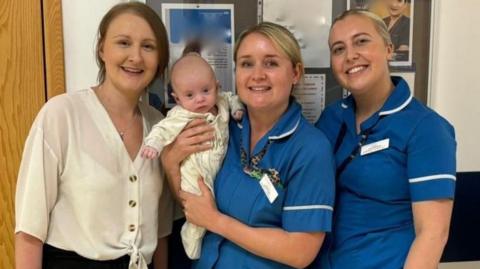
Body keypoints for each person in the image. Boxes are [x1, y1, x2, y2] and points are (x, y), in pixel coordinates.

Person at [161, 21, 335, 269]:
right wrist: (170, 163)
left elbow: (300, 251)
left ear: (295, 73)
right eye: (246, 64)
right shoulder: (222, 126)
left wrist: (216, 221)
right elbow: (193, 203)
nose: (257, 75)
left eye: (271, 63)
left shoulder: (310, 149)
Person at [15, 3, 174, 269]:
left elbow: (160, 232)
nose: (135, 57)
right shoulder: (61, 115)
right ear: (102, 49)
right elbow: (29, 233)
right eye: (123, 43)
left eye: (148, 46)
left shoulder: (160, 127)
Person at [314, 10, 456, 269]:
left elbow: (433, 235)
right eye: (338, 49)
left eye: (361, 41)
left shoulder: (427, 129)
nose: (350, 56)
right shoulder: (331, 119)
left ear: (389, 49)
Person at [141, 47, 244, 260]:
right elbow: (162, 130)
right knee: (197, 204)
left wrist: (237, 110)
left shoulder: (221, 103)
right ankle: (192, 240)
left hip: (218, 167)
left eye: (205, 91)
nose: (199, 99)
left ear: (217, 86)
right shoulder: (180, 115)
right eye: (189, 95)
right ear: (177, 99)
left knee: (214, 203)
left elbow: (233, 98)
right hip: (194, 170)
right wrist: (153, 145)